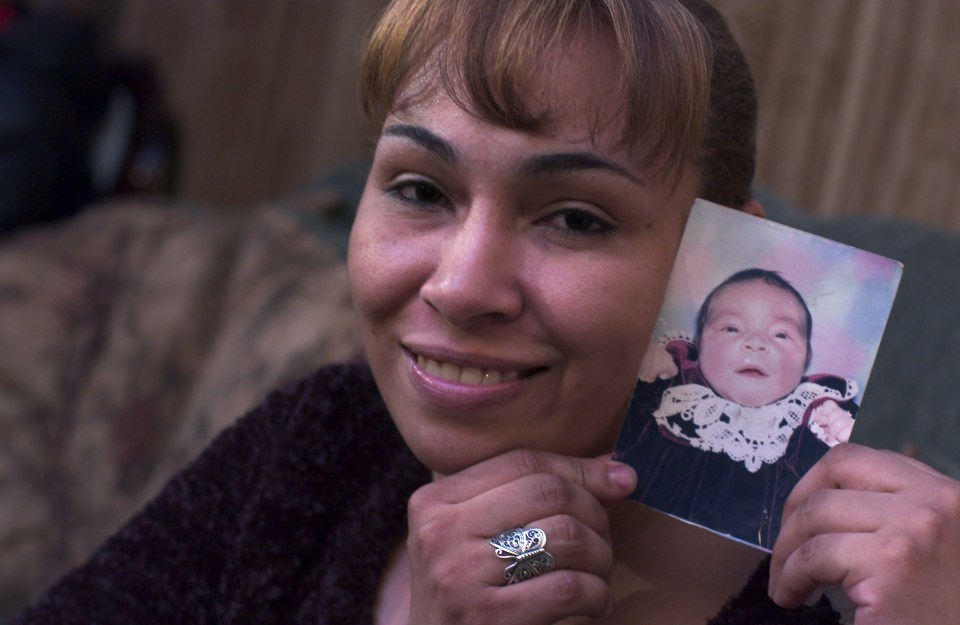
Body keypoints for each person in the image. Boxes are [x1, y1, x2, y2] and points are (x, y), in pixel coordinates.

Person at [12, 0, 960, 623]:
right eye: (421, 190)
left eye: (575, 217)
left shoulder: (849, 594)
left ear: (721, 262)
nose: (461, 287)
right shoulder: (314, 447)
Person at [620, 268, 859, 548]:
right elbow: (628, 435)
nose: (756, 343)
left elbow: (821, 493)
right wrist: (647, 373)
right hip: (638, 539)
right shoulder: (674, 390)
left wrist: (836, 433)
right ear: (700, 346)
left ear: (806, 358)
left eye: (781, 335)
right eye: (731, 328)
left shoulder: (805, 416)